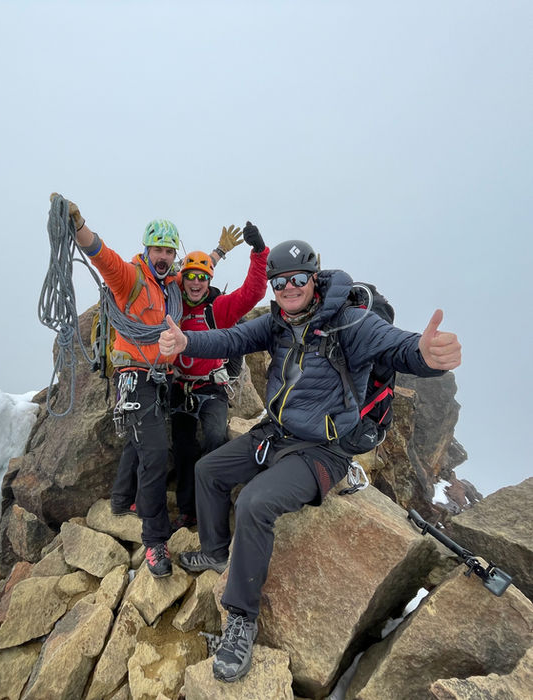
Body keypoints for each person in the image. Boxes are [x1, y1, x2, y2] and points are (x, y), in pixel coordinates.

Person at [158, 239, 462, 682]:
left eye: (299, 280)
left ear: (314, 280)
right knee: (208, 470)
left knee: (255, 504)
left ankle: (241, 618)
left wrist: (427, 356)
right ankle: (216, 553)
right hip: (276, 434)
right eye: (280, 282)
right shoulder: (278, 323)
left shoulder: (350, 324)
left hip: (323, 449)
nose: (289, 289)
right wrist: (187, 339)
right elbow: (233, 336)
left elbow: (398, 347)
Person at [69, 200, 181, 578]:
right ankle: (154, 540)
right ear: (146, 249)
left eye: (169, 250)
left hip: (156, 378)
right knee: (155, 453)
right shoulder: (131, 278)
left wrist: (220, 252)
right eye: (158, 249)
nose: (163, 256)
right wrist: (79, 224)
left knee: (137, 442)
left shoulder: (170, 286)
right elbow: (101, 255)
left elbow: (203, 271)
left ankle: (120, 500)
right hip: (135, 377)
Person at [170, 222, 269, 530]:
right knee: (183, 447)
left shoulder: (220, 308)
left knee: (214, 439)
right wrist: (219, 251)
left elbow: (253, 292)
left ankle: (212, 504)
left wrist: (260, 252)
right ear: (182, 279)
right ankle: (188, 510)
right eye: (191, 277)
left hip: (211, 387)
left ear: (208, 280)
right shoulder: (172, 302)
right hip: (179, 386)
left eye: (202, 277)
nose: (196, 282)